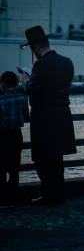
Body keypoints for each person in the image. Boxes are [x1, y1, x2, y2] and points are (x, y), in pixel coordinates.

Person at [20, 26, 76, 205]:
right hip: (63, 117)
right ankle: (58, 195)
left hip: (44, 120)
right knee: (57, 160)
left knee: (43, 161)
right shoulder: (67, 62)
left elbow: (34, 91)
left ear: (35, 48)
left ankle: (48, 195)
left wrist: (26, 81)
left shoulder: (41, 65)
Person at [0, 71, 29, 204]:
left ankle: (3, 197)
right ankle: (13, 195)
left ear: (3, 84)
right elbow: (26, 115)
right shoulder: (23, 98)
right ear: (16, 83)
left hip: (2, 135)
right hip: (17, 134)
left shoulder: (1, 99)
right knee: (14, 167)